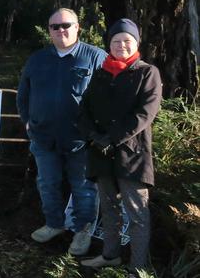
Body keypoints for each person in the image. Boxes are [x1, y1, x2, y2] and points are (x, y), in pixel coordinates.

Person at [17, 8, 107, 255]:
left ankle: (82, 232)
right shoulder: (37, 59)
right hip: (44, 138)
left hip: (81, 140)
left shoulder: (96, 57)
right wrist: (27, 121)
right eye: (55, 27)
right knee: (47, 183)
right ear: (49, 31)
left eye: (66, 25)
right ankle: (54, 224)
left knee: (84, 187)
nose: (61, 30)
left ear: (77, 27)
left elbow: (110, 97)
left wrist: (99, 131)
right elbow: (23, 94)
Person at [78, 19, 162, 275]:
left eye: (127, 40)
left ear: (136, 43)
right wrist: (93, 136)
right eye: (116, 41)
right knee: (109, 209)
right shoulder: (102, 73)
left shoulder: (148, 72)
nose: (121, 45)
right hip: (100, 154)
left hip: (131, 156)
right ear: (109, 45)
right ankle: (110, 255)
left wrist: (111, 139)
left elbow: (145, 113)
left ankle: (138, 267)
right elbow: (84, 109)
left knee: (137, 214)